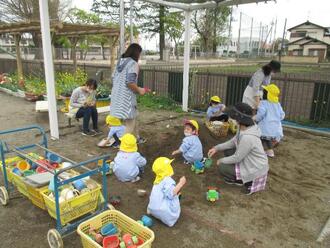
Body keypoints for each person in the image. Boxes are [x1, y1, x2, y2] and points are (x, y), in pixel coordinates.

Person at [208, 103, 269, 195]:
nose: (232, 119)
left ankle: (248, 181)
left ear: (239, 118)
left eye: (233, 117)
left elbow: (237, 158)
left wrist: (221, 160)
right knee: (228, 150)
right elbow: (233, 142)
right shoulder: (245, 127)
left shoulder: (247, 137)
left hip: (255, 168)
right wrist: (216, 148)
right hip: (249, 160)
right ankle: (239, 177)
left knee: (222, 166)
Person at [110, 43, 146, 144]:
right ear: (136, 53)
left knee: (133, 118)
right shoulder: (133, 64)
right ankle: (122, 143)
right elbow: (130, 82)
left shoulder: (120, 62)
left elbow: (113, 78)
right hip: (127, 98)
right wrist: (139, 90)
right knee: (130, 123)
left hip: (116, 95)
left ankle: (136, 138)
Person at [147, 157, 186, 227]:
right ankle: (170, 220)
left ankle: (152, 211)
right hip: (164, 213)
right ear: (166, 168)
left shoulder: (157, 180)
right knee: (175, 197)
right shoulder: (168, 180)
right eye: (169, 165)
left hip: (152, 208)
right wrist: (181, 183)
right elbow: (171, 194)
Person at [255, 84, 285, 158]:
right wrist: (275, 119)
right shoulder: (277, 104)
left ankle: (259, 152)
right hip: (274, 129)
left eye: (264, 92)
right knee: (268, 140)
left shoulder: (263, 103)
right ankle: (270, 152)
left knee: (260, 139)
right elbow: (282, 115)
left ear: (267, 94)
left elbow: (261, 114)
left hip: (264, 128)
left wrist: (255, 119)